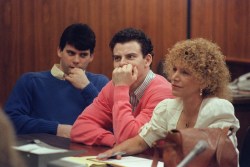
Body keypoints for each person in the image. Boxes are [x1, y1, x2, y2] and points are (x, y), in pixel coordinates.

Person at [97, 38, 240, 159]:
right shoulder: (167, 107)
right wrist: (113, 152)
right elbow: (141, 142)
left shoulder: (218, 108)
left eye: (185, 73)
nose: (174, 77)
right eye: (174, 70)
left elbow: (214, 157)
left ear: (204, 80)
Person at [70, 28, 173, 147]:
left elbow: (130, 140)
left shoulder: (163, 92)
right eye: (117, 58)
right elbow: (79, 128)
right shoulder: (113, 86)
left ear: (147, 60)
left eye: (130, 57)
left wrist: (122, 87)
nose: (122, 63)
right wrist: (113, 142)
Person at [4, 23, 109, 138]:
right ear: (59, 51)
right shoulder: (31, 81)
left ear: (91, 57)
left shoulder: (100, 83)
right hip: (42, 152)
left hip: (87, 154)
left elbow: (110, 124)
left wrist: (87, 88)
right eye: (71, 53)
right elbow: (10, 121)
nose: (76, 60)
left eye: (83, 55)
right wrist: (57, 129)